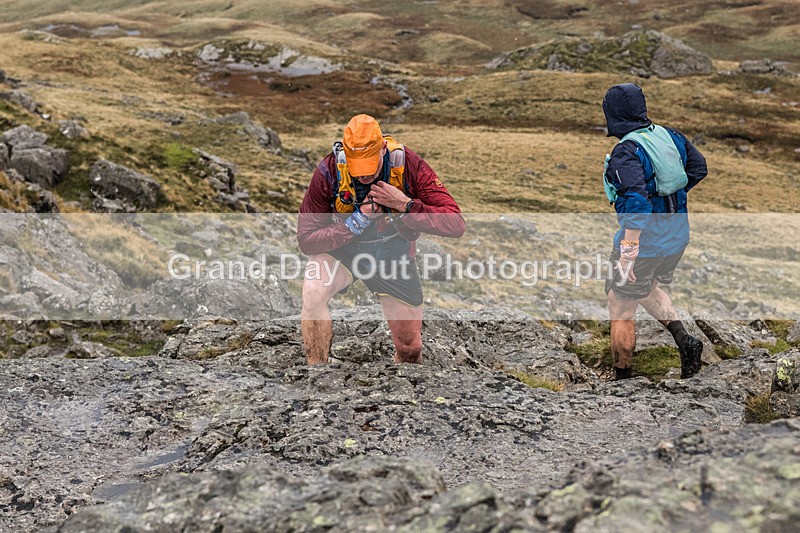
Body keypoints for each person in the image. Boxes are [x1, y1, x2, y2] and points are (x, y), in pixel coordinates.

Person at [297, 114, 465, 365]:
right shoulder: (330, 170)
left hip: (392, 255)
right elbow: (307, 240)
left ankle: (408, 397)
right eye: (357, 167)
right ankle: (316, 373)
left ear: (383, 148)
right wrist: (357, 220)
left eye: (369, 166)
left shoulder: (408, 164)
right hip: (343, 251)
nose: (363, 176)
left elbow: (455, 223)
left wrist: (405, 205)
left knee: (410, 349)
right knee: (312, 291)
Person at [602, 83, 707, 380]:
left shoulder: (627, 151)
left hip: (644, 244)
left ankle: (622, 382)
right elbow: (699, 168)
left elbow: (635, 202)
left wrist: (628, 252)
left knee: (620, 304)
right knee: (646, 287)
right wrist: (668, 199)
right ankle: (685, 341)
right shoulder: (670, 135)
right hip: (677, 238)